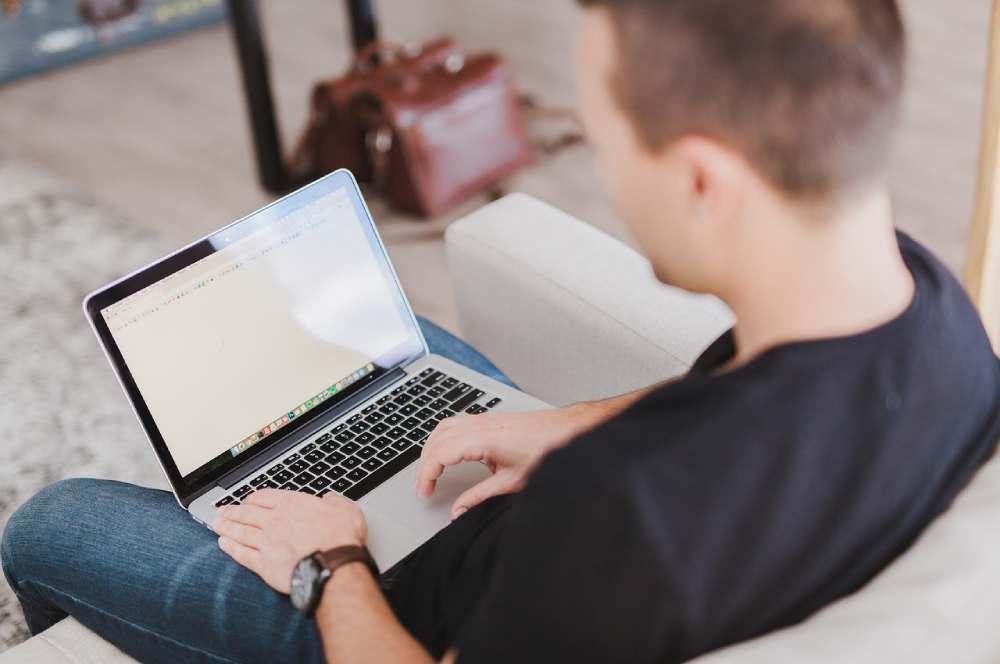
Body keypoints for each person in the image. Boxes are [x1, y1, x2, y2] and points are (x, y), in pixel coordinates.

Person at [4, 0, 999, 662]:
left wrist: (329, 561)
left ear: (700, 181)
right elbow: (750, 399)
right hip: (550, 536)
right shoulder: (931, 309)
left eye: (609, 142)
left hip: (398, 600)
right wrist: (573, 423)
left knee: (48, 523)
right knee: (395, 353)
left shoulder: (618, 514)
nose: (607, 179)